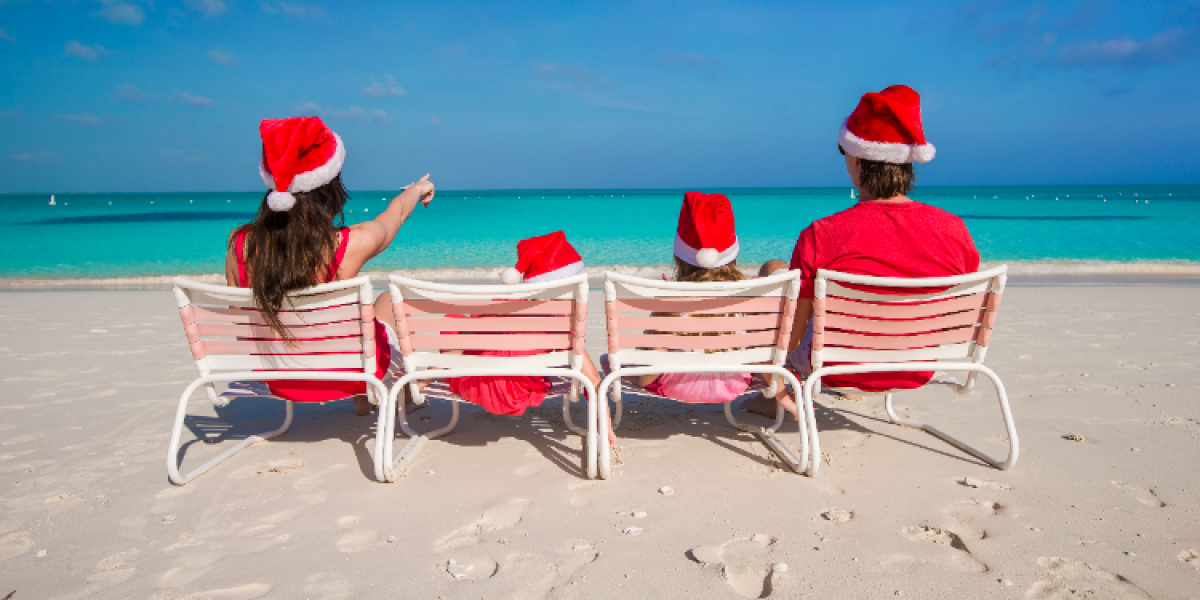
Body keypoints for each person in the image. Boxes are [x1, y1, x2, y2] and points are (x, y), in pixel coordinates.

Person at [744, 84, 981, 420]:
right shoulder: (955, 231)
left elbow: (791, 335)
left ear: (856, 158)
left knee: (775, 272)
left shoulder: (821, 234)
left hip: (839, 367)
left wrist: (771, 376)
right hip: (917, 366)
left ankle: (771, 400)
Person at [225, 116, 435, 416]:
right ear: (329, 183)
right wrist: (417, 188)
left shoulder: (239, 243)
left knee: (374, 307)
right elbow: (396, 214)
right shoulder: (350, 243)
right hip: (347, 373)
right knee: (393, 301)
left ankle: (364, 398)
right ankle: (381, 393)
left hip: (280, 377)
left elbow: (240, 320)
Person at [447, 231, 616, 446]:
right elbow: (593, 381)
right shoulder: (562, 325)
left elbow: (468, 339)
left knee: (460, 331)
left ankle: (432, 373)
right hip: (519, 394)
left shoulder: (504, 308)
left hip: (480, 386)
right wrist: (606, 425)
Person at [628, 192, 756, 404]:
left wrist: (634, 375)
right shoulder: (748, 296)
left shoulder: (671, 302)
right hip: (735, 383)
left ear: (680, 255)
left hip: (681, 387)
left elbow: (648, 375)